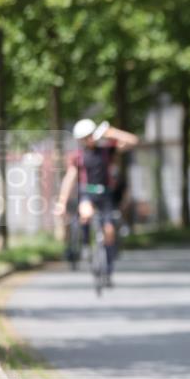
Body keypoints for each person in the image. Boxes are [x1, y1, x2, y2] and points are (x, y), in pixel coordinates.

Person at [55, 119, 139, 279]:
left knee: (109, 231)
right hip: (87, 192)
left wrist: (112, 132)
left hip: (105, 194)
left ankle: (108, 264)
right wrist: (61, 202)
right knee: (85, 213)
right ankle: (86, 244)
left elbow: (133, 141)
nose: (90, 139)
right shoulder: (78, 157)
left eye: (91, 135)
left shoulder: (107, 150)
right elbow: (69, 179)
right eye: (86, 137)